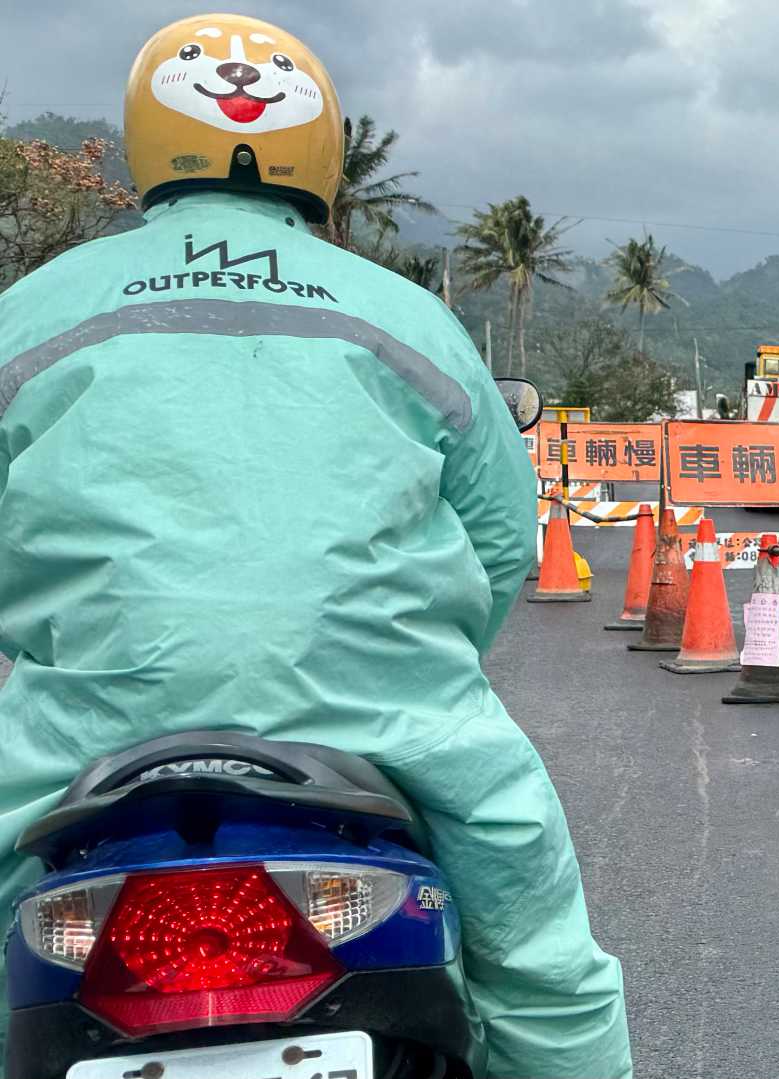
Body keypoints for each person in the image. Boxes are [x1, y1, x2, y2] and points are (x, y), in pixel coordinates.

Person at [0, 14, 631, 1077]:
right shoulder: (406, 318)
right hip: (393, 727)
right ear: (324, 147)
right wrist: (423, 656)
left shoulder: (34, 309)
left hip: (81, 735)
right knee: (540, 961)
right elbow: (500, 543)